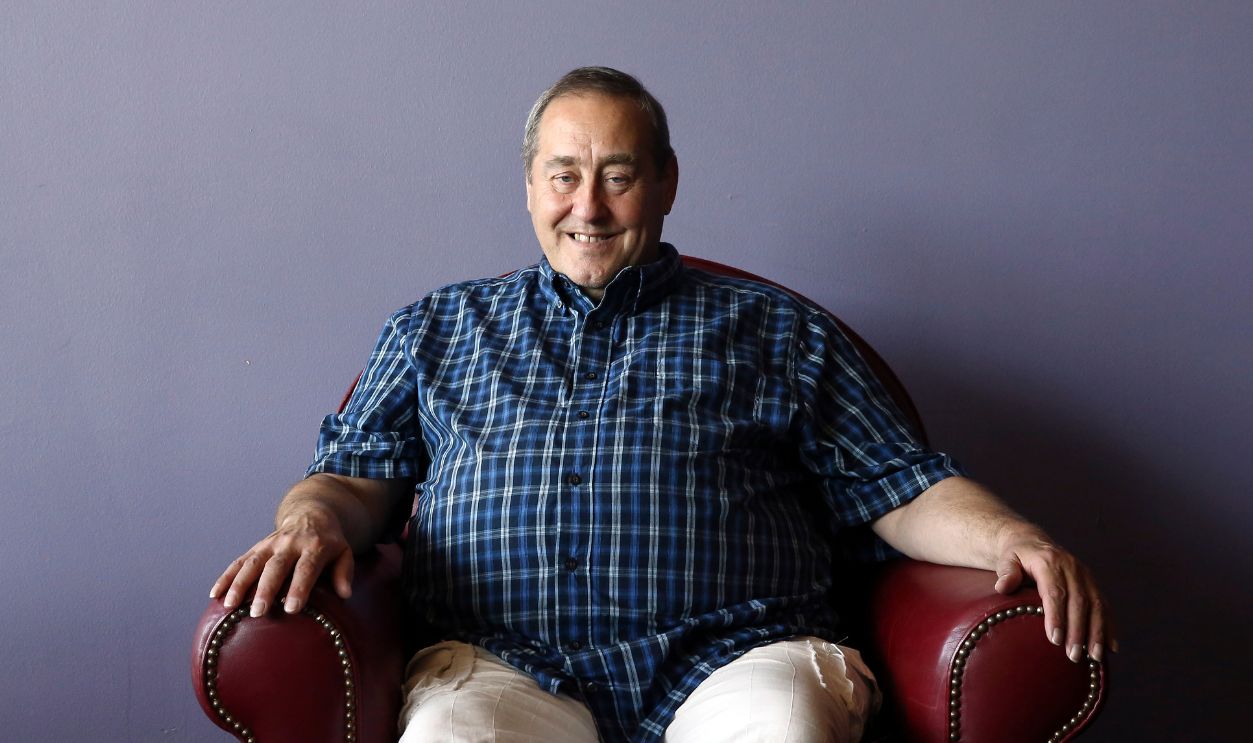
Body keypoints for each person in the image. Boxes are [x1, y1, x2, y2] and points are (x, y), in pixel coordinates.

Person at [210, 67, 1113, 743]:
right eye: (563, 174)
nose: (588, 206)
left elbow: (901, 487)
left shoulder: (777, 329)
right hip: (497, 662)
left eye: (618, 173)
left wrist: (1011, 540)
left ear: (667, 182)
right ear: (528, 185)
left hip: (739, 660)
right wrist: (310, 522)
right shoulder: (434, 329)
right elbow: (352, 480)